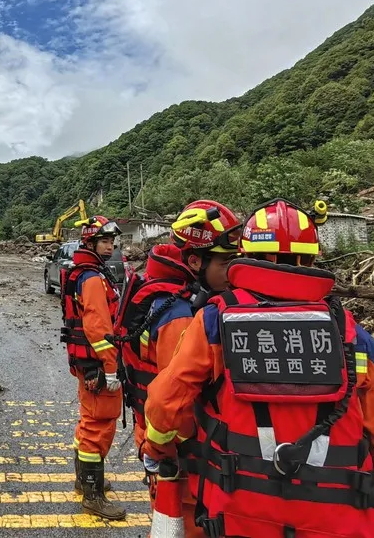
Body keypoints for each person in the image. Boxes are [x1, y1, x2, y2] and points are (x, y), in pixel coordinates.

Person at [143, 198, 374, 538]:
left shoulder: (215, 321)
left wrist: (157, 450)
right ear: (313, 258)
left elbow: (165, 404)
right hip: (340, 522)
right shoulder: (350, 335)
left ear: (245, 256)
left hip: (237, 515)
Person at [116, 201, 239, 538]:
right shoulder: (180, 313)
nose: (233, 272)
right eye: (226, 262)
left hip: (159, 440)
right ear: (195, 261)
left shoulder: (164, 293)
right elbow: (174, 403)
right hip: (180, 455)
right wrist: (164, 451)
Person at [60, 215, 126, 519]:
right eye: (104, 241)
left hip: (85, 363)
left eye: (111, 241)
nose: (110, 245)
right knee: (98, 426)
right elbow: (99, 328)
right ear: (89, 243)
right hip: (98, 366)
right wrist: (111, 368)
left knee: (88, 421)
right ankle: (93, 495)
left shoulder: (80, 272)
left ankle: (84, 481)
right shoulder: (92, 278)